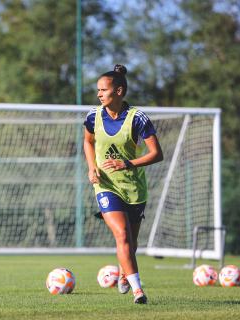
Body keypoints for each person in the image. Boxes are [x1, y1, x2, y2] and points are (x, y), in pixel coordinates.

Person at [83, 64, 163, 304]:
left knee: (131, 241)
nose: (99, 94)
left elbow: (157, 154)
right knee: (121, 235)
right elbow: (88, 142)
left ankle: (124, 274)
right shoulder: (93, 116)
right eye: (97, 90)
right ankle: (139, 291)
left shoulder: (137, 118)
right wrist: (92, 167)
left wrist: (128, 164)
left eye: (103, 90)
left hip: (134, 188)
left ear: (118, 91)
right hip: (106, 186)